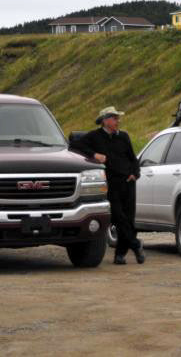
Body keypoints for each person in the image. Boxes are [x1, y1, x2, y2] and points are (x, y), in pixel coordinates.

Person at [71, 106, 145, 265]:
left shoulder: (124, 136)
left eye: (118, 118)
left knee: (129, 219)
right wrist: (94, 155)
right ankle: (136, 244)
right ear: (105, 120)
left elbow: (133, 159)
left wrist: (135, 173)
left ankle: (120, 254)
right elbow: (75, 146)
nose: (118, 121)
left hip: (129, 182)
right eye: (115, 118)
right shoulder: (94, 136)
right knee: (118, 217)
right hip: (111, 184)